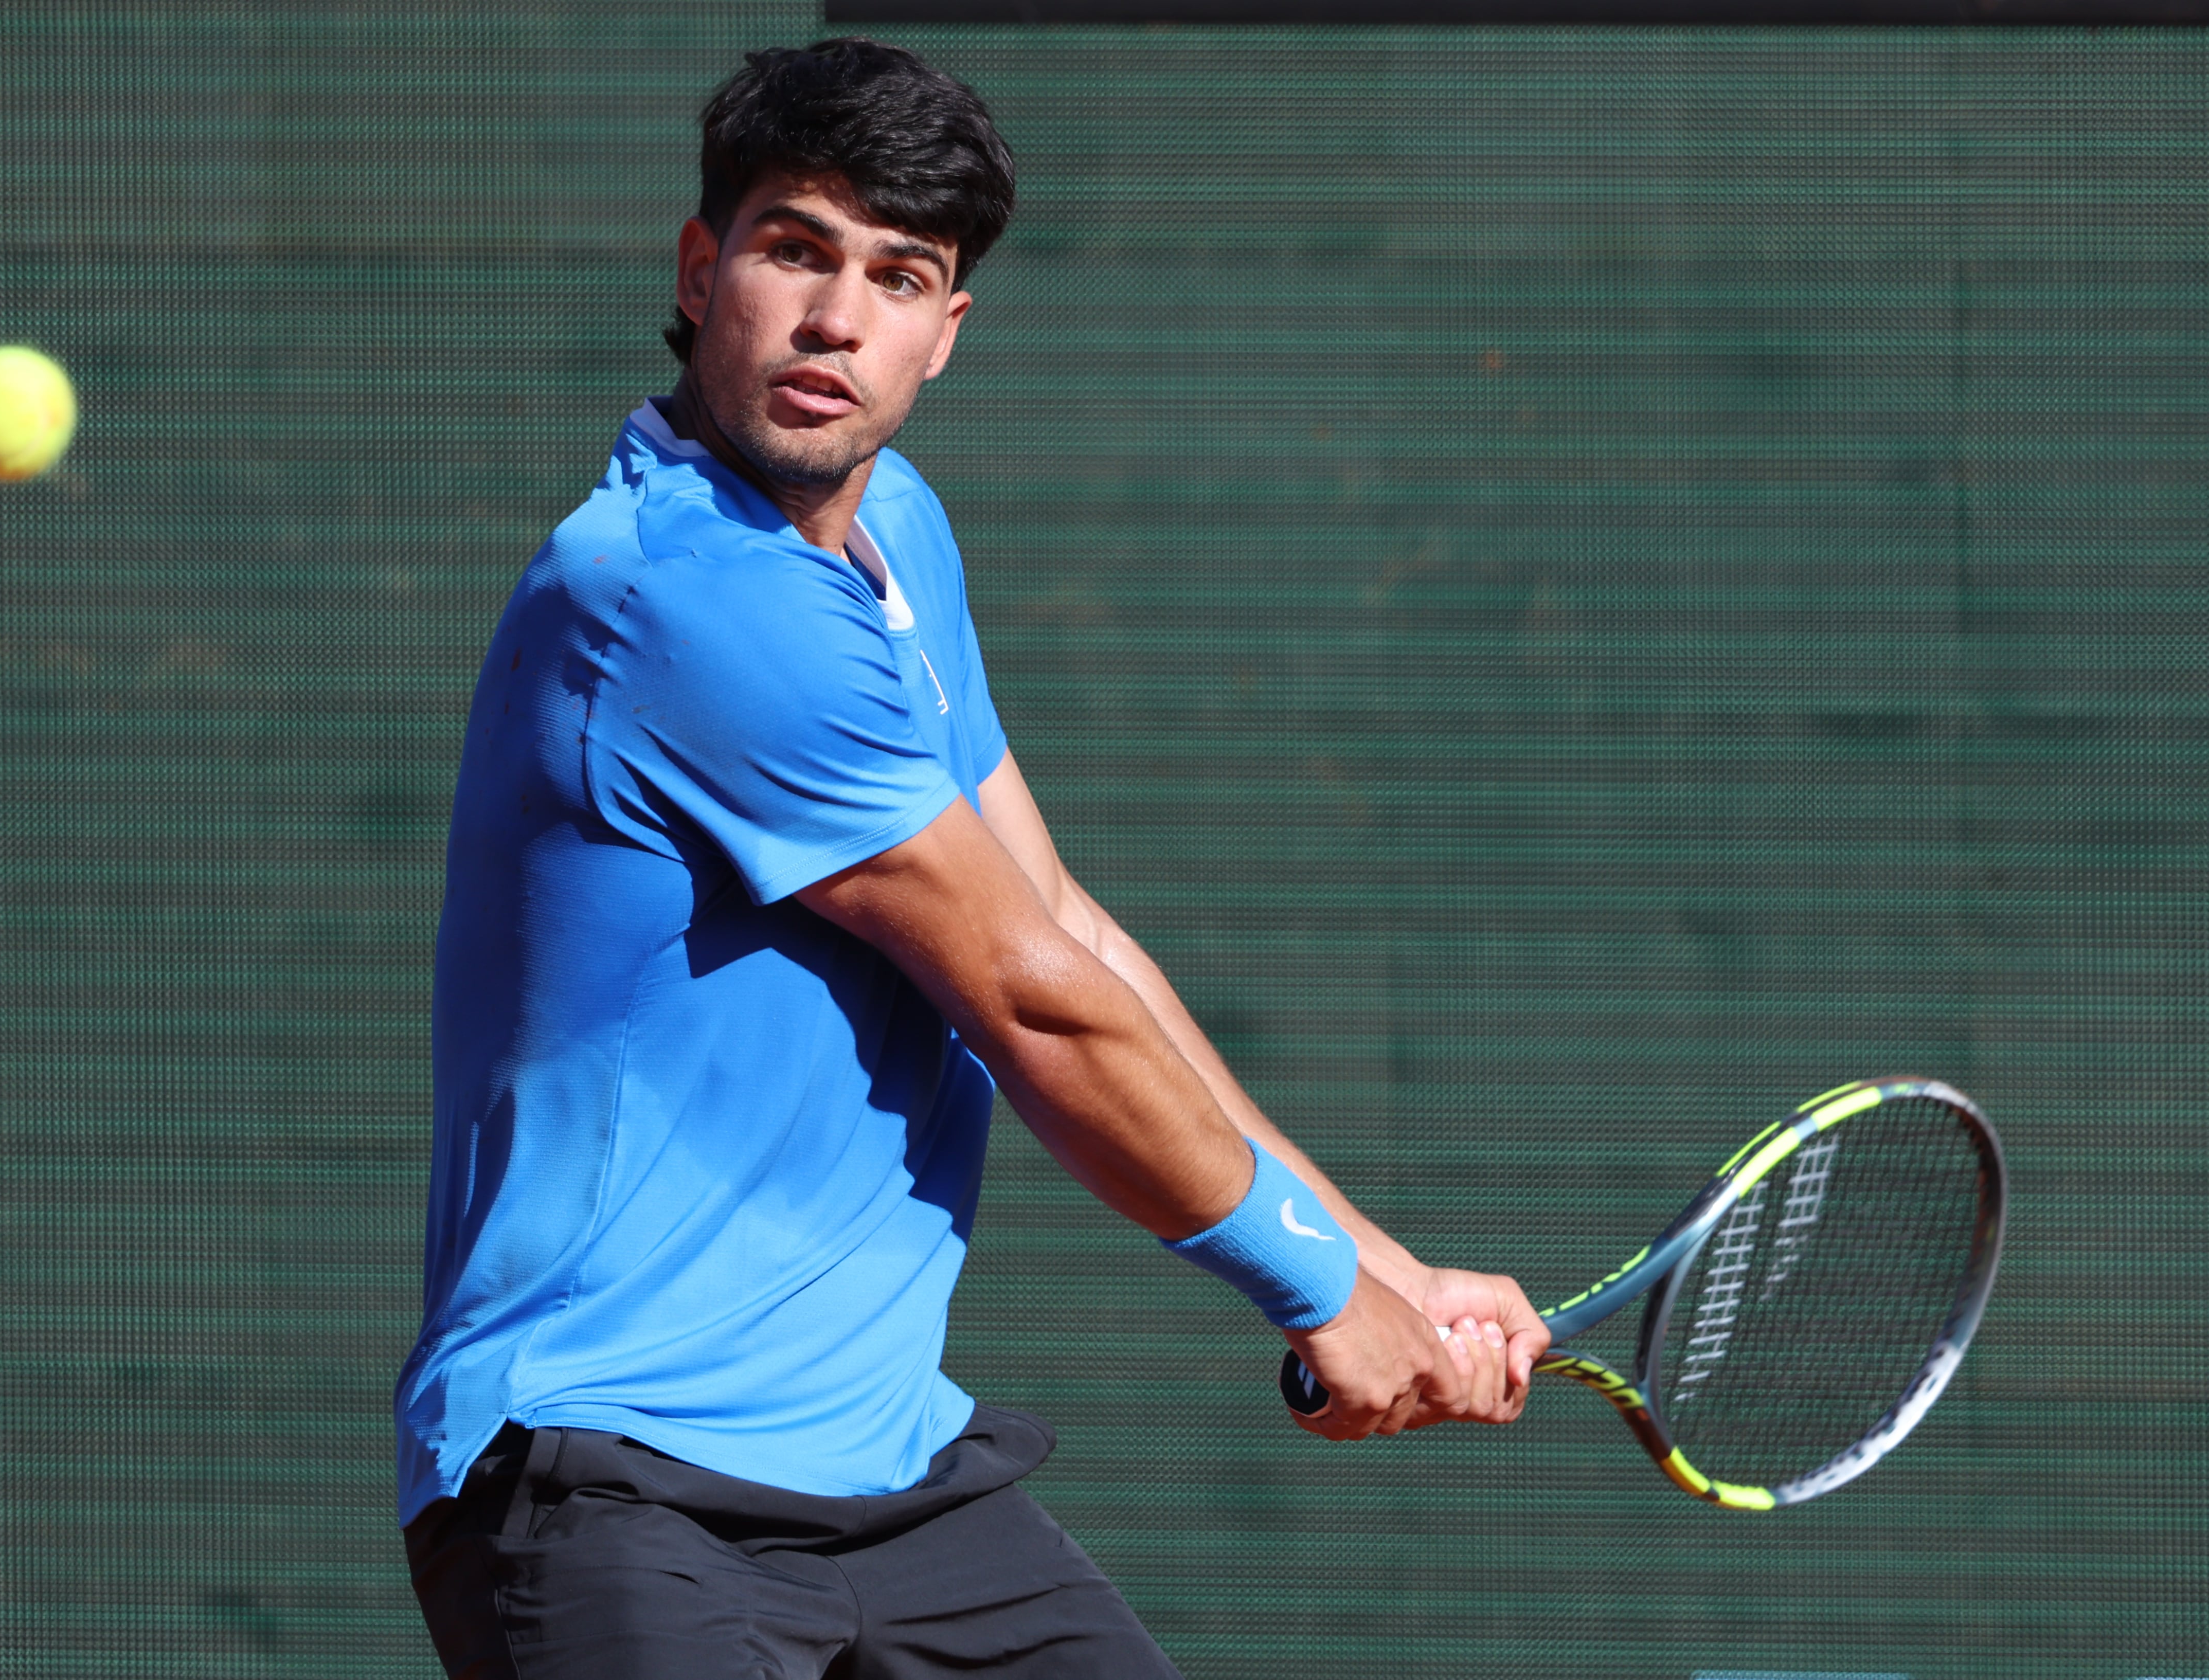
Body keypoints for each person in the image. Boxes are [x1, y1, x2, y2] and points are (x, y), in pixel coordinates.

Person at [394, 37, 1549, 1679]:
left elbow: (1062, 927)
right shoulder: (674, 592)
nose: (834, 319)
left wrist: (1379, 1265)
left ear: (944, 331)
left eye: (897, 276)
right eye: (794, 250)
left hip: (889, 1479)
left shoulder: (896, 535)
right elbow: (1026, 1004)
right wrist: (1309, 1290)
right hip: (610, 1484)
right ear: (701, 270)